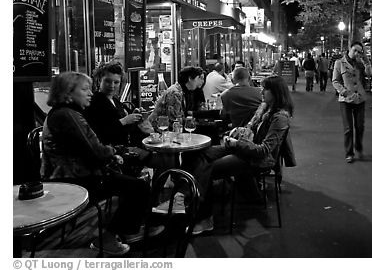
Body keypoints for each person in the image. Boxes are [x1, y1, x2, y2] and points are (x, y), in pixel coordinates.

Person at [40, 72, 163, 256]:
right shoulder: (68, 115)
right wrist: (114, 153)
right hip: (74, 180)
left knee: (135, 176)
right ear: (68, 93)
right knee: (139, 186)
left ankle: (135, 226)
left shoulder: (67, 113)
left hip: (77, 173)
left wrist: (113, 153)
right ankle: (109, 237)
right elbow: (96, 150)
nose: (90, 93)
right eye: (84, 89)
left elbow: (91, 147)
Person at [183, 75, 296, 235]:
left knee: (207, 167)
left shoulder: (280, 117)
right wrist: (241, 130)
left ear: (276, 92)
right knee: (198, 154)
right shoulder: (265, 107)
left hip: (257, 158)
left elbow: (263, 151)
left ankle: (204, 217)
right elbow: (251, 125)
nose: (261, 90)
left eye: (265, 88)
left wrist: (237, 143)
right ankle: (185, 196)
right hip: (244, 149)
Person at [332, 41, 372, 163]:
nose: (356, 53)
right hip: (346, 99)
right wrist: (344, 92)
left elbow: (369, 74)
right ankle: (349, 153)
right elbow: (335, 81)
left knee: (360, 126)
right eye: (355, 50)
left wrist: (366, 61)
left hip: (360, 98)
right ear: (349, 49)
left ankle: (358, 147)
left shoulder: (361, 63)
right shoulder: (339, 63)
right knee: (348, 128)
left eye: (359, 52)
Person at [149, 66, 205, 130]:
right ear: (190, 78)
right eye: (199, 78)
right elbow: (174, 120)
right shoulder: (175, 93)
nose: (202, 81)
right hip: (158, 131)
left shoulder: (181, 91)